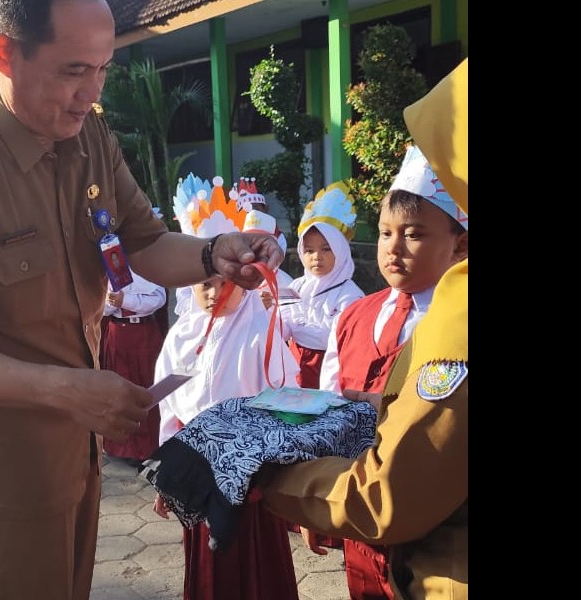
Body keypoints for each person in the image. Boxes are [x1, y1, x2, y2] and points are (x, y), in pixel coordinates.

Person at [0, 2, 283, 599]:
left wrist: (214, 254)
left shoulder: (88, 137)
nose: (92, 92)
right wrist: (67, 390)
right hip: (4, 470)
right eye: (74, 70)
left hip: (80, 447)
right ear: (6, 54)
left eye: (103, 69)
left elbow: (143, 241)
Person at [257, 57, 469, 600]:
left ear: (460, 243)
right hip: (352, 499)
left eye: (415, 235)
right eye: (386, 233)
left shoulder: (452, 321)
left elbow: (402, 486)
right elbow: (334, 401)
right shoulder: (357, 314)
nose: (394, 248)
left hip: (420, 532)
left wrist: (272, 480)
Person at [153, 273, 301, 600]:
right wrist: (168, 477)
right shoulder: (182, 337)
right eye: (205, 284)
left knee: (253, 561)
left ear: (244, 286)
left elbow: (286, 405)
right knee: (209, 566)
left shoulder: (260, 334)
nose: (214, 293)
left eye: (225, 284)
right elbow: (169, 411)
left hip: (249, 474)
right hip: (198, 474)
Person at [280, 182, 365, 390]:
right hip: (294, 368)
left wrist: (299, 329)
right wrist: (267, 313)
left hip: (331, 370)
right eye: (309, 250)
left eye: (326, 249)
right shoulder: (296, 286)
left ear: (341, 250)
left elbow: (337, 339)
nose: (316, 257)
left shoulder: (351, 295)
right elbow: (282, 329)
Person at [101, 268, 167, 466]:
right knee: (120, 388)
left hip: (144, 334)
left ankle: (148, 446)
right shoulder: (107, 269)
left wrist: (126, 300)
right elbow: (100, 308)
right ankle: (122, 446)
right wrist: (111, 302)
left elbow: (158, 299)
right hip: (117, 334)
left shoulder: (147, 265)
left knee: (146, 387)